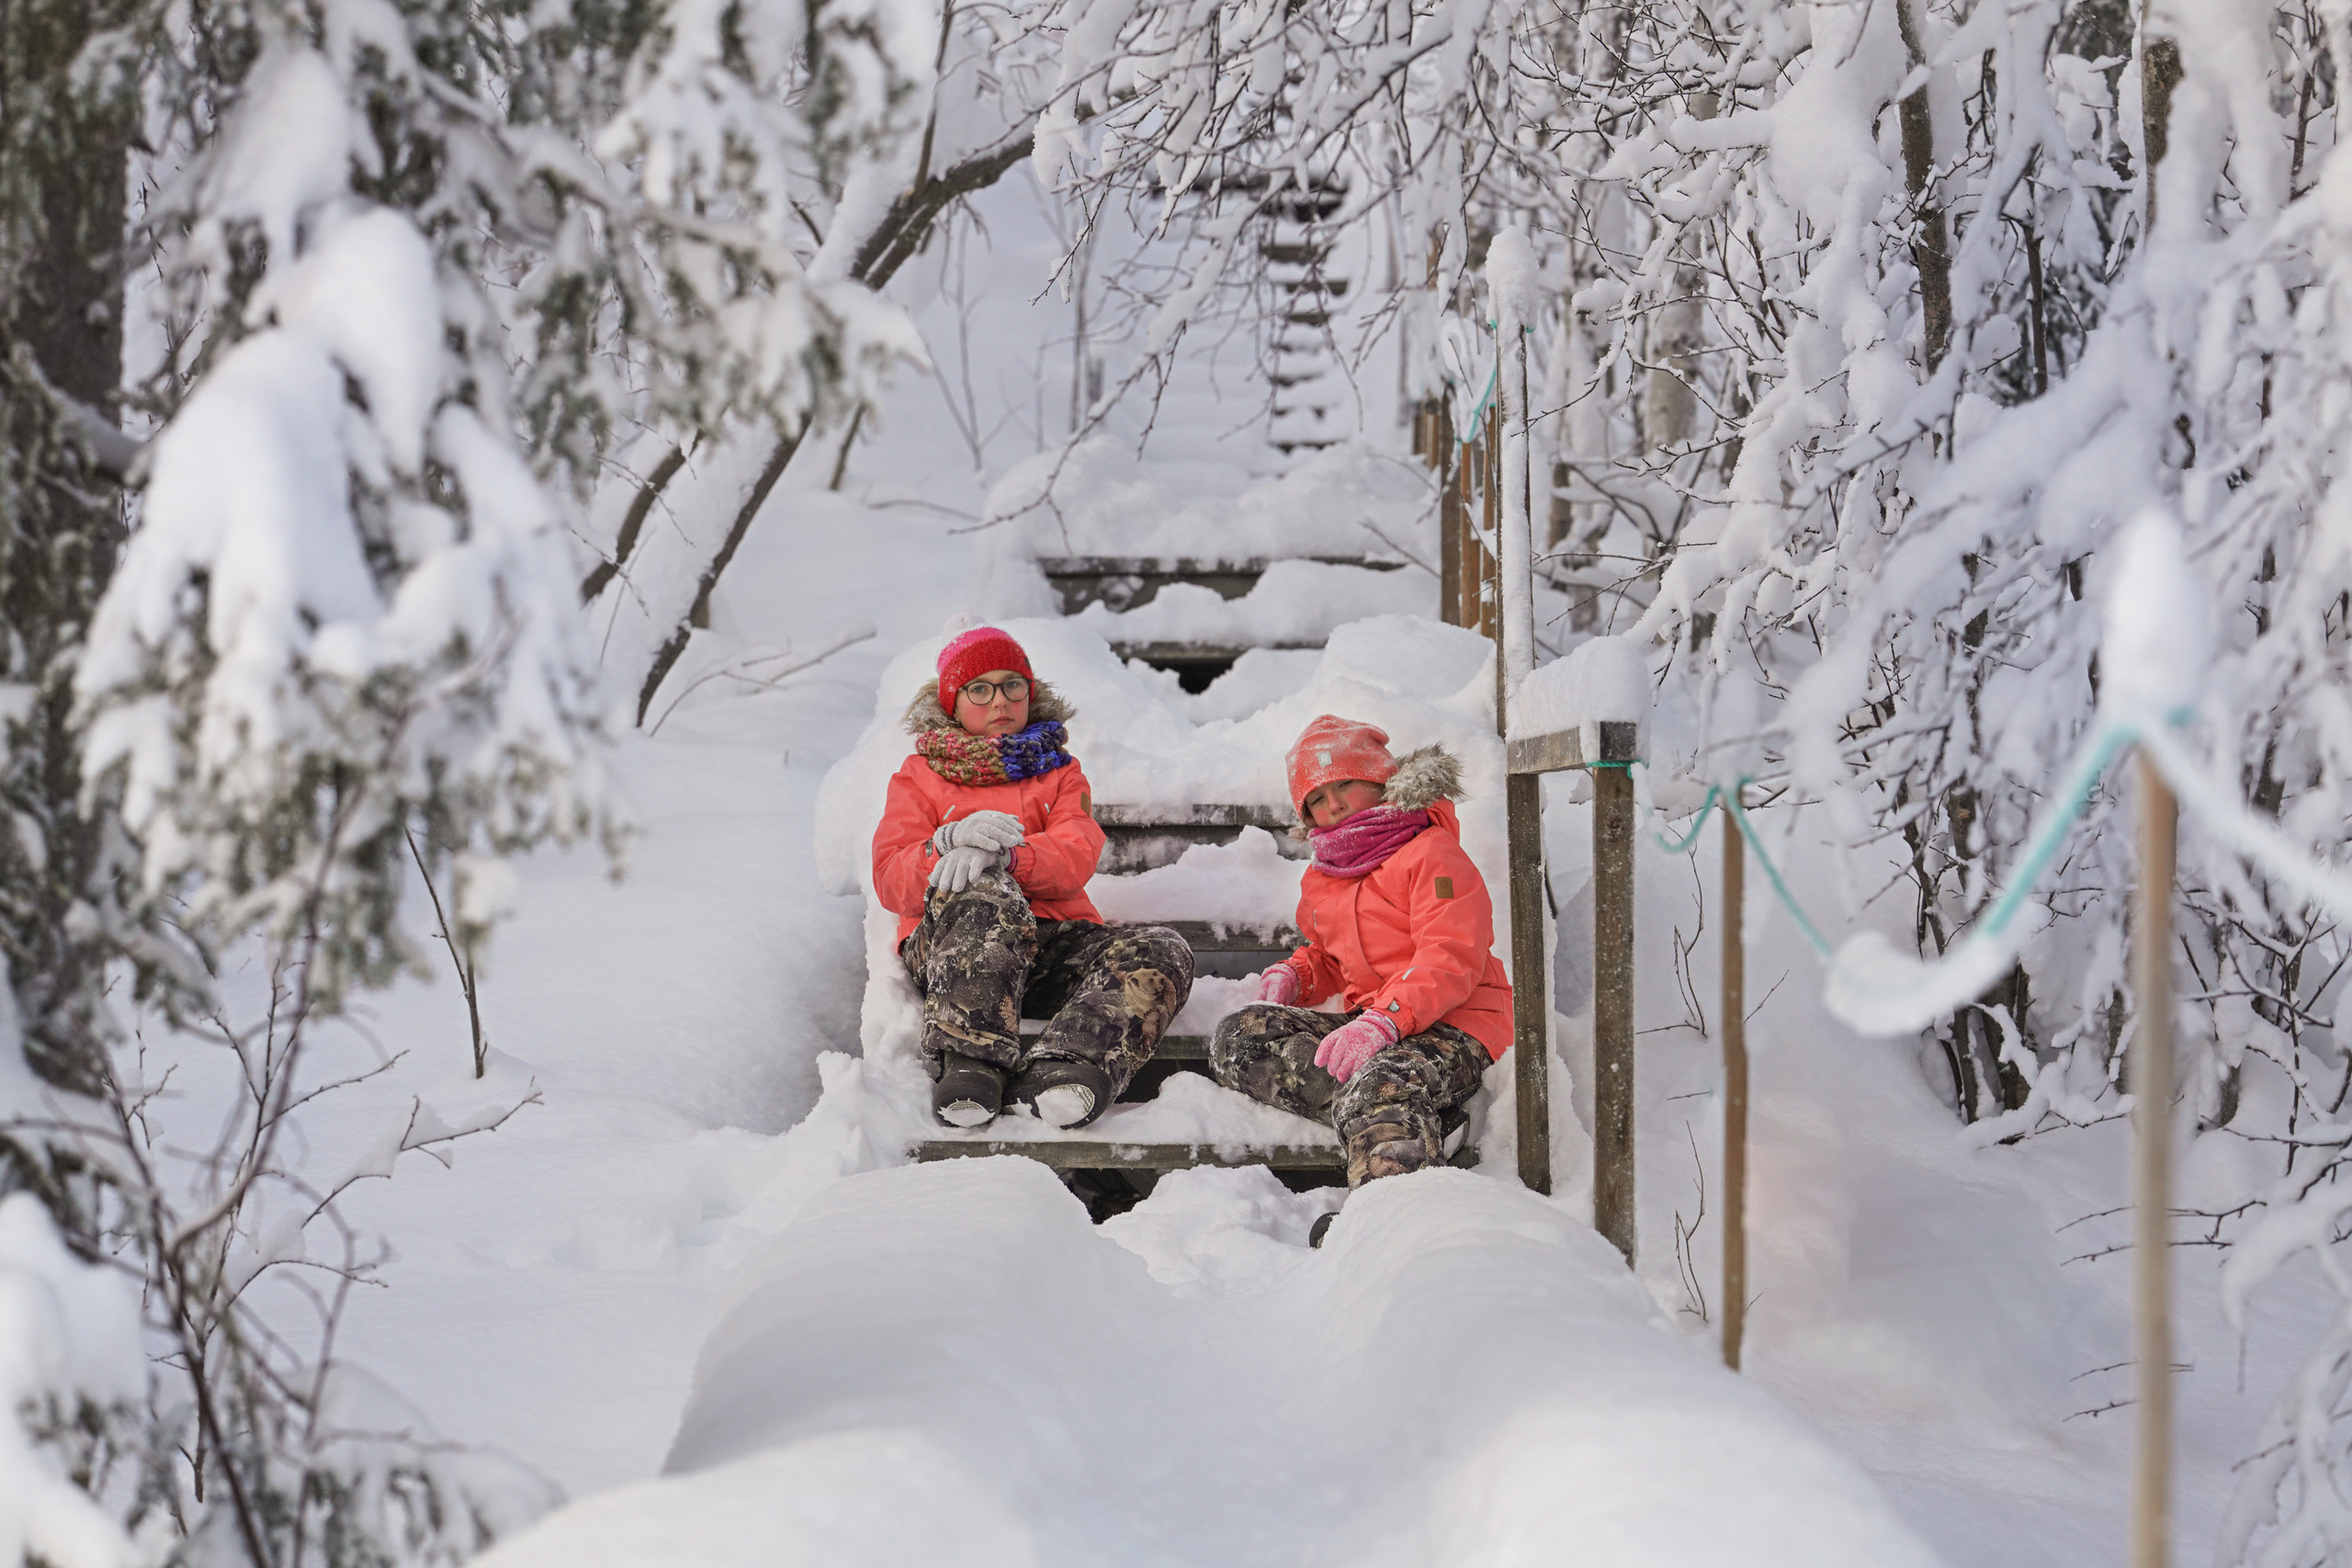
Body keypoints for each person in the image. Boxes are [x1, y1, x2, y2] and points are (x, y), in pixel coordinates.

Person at [872, 626, 1194, 1130]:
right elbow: (891, 878)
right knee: (981, 884)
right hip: (955, 953)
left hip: (1047, 946)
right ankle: (971, 1063)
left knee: (1162, 949)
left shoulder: (1062, 772)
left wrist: (1010, 857)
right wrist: (943, 847)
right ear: (953, 703)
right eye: (979, 688)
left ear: (1030, 692)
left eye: (1012, 685)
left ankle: (1065, 1067)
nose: (999, 699)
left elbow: (1076, 854)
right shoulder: (918, 776)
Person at [1212, 715, 1510, 1207]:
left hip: (1458, 1024)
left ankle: (1389, 1212)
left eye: (1344, 784)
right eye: (1315, 799)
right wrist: (1299, 973)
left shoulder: (1430, 851)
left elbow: (1452, 954)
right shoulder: (1325, 875)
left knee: (1381, 1080)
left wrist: (1385, 1023)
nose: (1332, 805)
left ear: (1378, 779)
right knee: (1240, 1036)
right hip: (1372, 1024)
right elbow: (1332, 956)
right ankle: (1409, 1117)